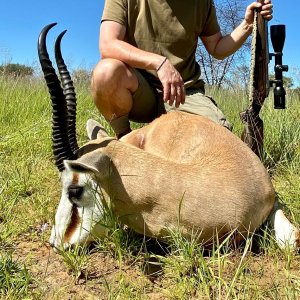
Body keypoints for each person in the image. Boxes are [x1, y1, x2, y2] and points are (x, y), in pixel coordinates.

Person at [91, 0, 273, 138]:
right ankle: (124, 139)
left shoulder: (202, 3)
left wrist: (248, 24)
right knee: (106, 72)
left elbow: (217, 48)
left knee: (219, 138)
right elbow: (108, 45)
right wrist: (159, 63)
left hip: (183, 92)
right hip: (139, 91)